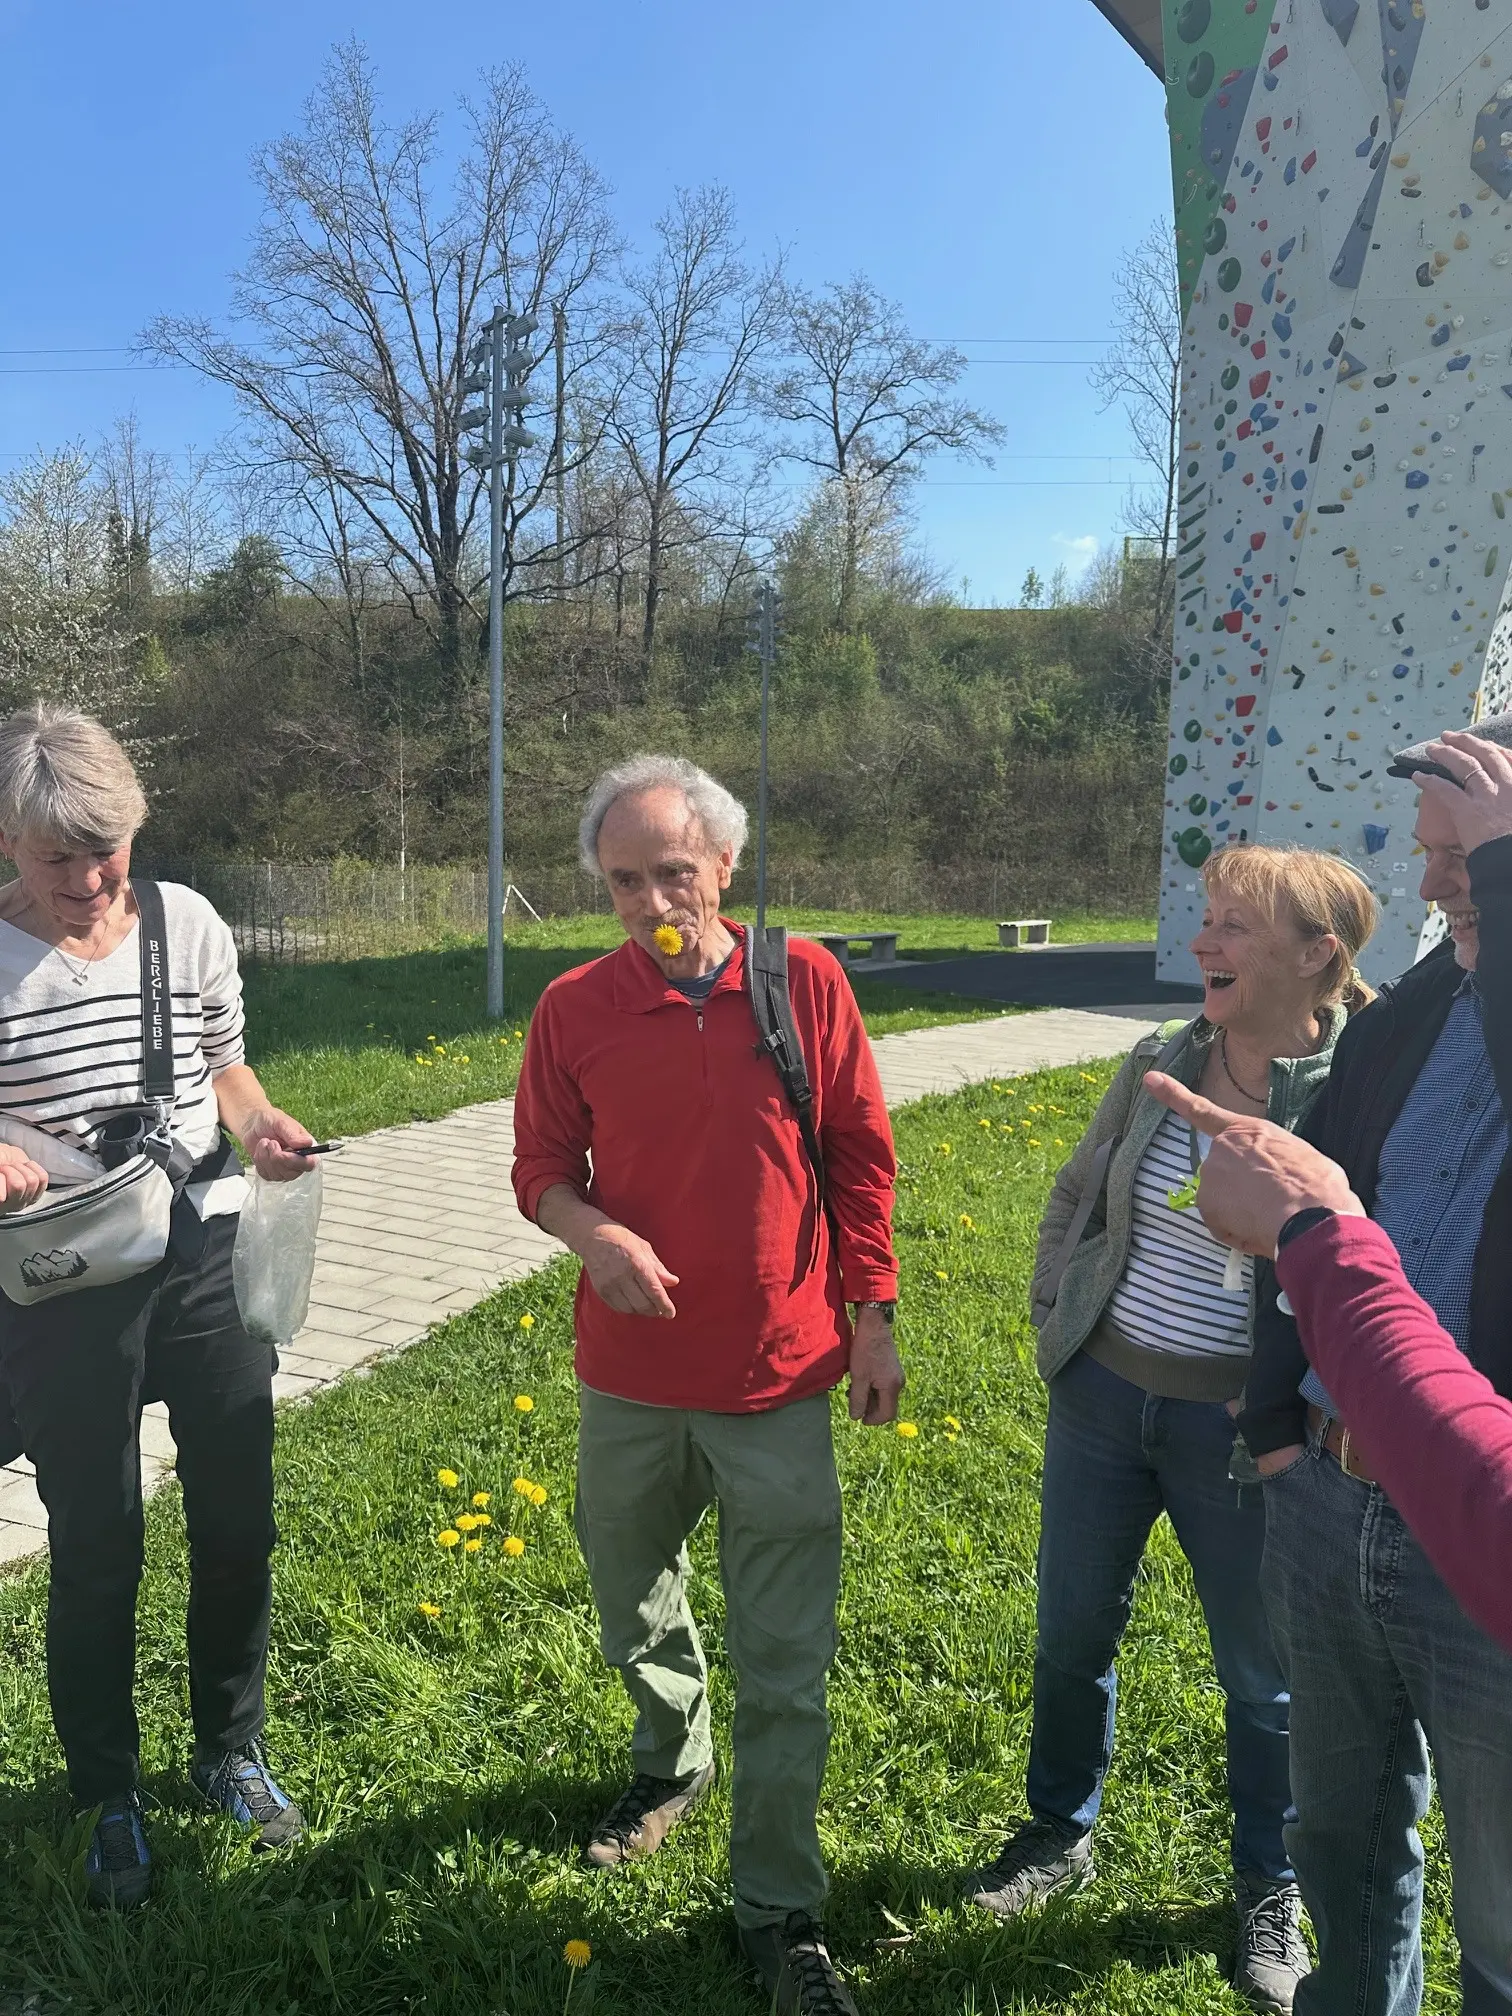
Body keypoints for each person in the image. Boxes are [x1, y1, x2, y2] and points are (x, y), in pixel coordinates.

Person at [511, 754, 903, 2016]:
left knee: (785, 1662)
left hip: (776, 1376)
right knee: (631, 1600)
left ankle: (780, 1910)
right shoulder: (574, 1007)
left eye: (672, 872)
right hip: (628, 1380)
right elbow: (538, 1170)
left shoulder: (804, 982)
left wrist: (875, 1320)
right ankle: (672, 1757)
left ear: (725, 867)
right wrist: (593, 1235)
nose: (650, 902)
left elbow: (861, 1157)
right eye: (624, 880)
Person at [967, 843, 1379, 2016]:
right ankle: (1059, 1830)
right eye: (1209, 918)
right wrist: (1057, 1313)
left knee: (1264, 1675)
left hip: (1248, 1433)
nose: (1205, 942)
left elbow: (1372, 1258)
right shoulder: (1162, 1057)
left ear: (1318, 955)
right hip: (1103, 1399)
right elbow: (1078, 1189)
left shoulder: (1356, 1089)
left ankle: (1268, 1884)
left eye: (1236, 925)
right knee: (1070, 1633)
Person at [0, 704, 317, 1909]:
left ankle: (230, 1749)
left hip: (203, 1253)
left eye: (108, 851)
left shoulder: (187, 923)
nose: (89, 881)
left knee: (238, 1521)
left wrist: (264, 1125)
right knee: (97, 1544)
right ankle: (106, 1793)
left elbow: (226, 1068)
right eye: (57, 859)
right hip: (64, 1276)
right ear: (6, 841)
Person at [1239, 718, 1512, 2015]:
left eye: (1466, 852)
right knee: (1342, 1843)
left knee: (1503, 1915)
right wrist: (1272, 1425)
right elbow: (1315, 1213)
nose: (1431, 875)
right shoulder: (1408, 1013)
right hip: (1332, 1492)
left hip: (1483, 1525)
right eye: (1433, 846)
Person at [1140, 1070, 1512, 1654]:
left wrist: (1318, 1236)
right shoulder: (1408, 1024)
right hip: (1319, 1486)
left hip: (1472, 1545)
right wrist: (1274, 1436)